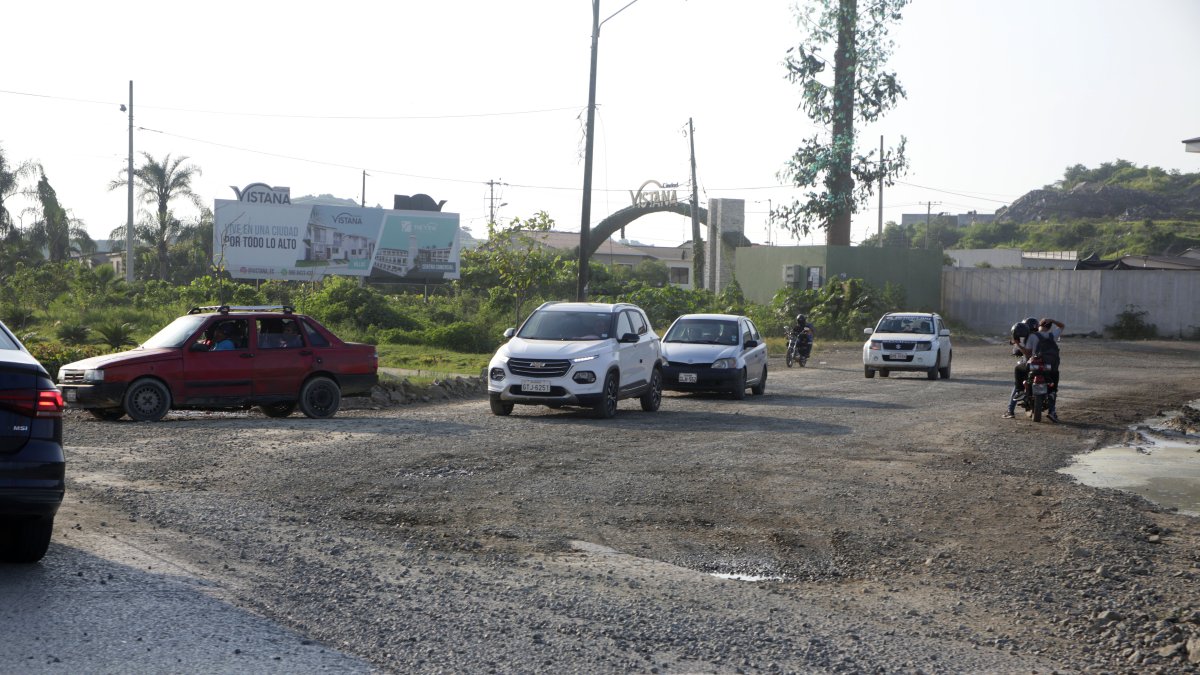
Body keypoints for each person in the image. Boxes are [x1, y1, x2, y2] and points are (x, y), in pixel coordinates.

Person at [1026, 317, 1065, 422]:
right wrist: (1053, 320)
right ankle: (1052, 412)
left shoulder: (1032, 336)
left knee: (1027, 378)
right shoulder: (1053, 335)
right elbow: (1062, 326)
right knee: (1053, 389)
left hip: (1036, 366)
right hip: (1051, 367)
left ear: (1039, 325)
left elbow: (1028, 353)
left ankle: (1026, 399)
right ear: (1049, 326)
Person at [1003, 317, 1039, 418]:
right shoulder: (1042, 336)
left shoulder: (1028, 338)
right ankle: (1052, 410)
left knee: (1017, 382)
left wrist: (1017, 343)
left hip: (1030, 364)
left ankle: (1010, 410)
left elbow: (1025, 352)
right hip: (1044, 364)